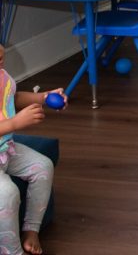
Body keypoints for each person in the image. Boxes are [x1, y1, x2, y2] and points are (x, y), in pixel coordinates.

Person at [0, 44, 65, 255]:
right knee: (7, 193)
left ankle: (31, 228)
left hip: (5, 148)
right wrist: (14, 124)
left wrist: (43, 97)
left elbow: (13, 97)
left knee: (43, 166)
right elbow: (13, 122)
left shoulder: (2, 76)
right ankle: (11, 251)